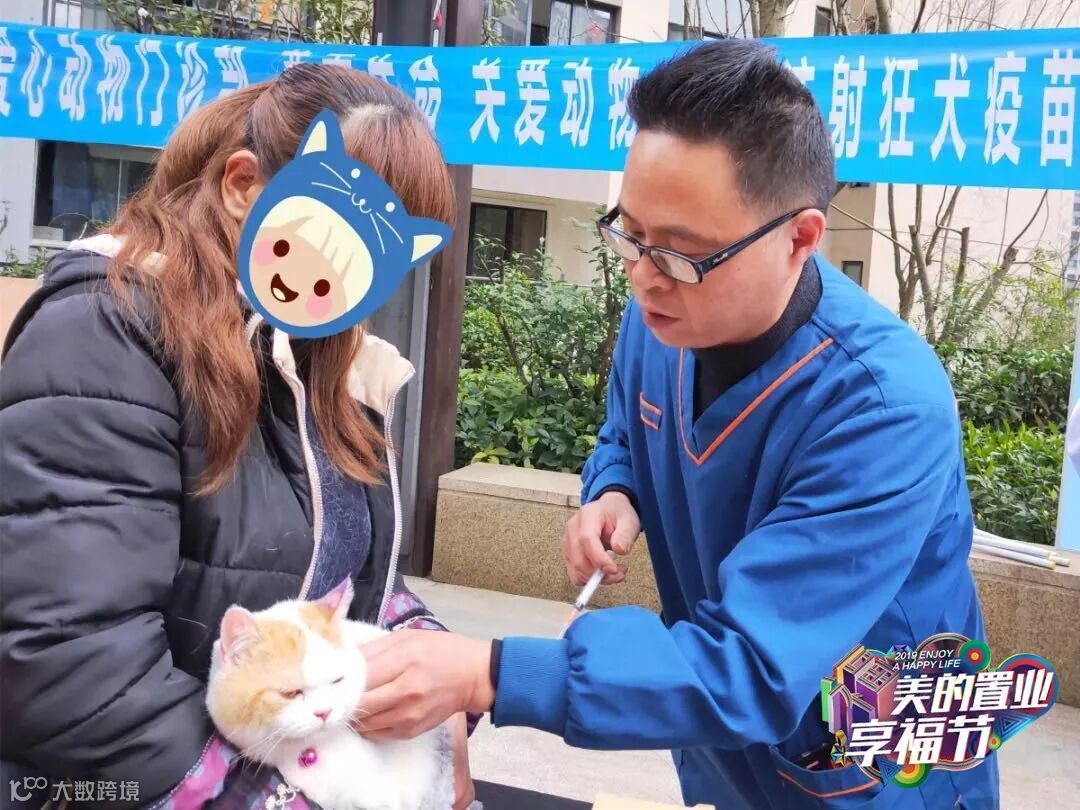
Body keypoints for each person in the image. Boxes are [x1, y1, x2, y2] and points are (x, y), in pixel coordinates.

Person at [353, 40, 1000, 809]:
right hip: (725, 748)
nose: (644, 276)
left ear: (800, 238)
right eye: (629, 234)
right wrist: (615, 489)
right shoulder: (662, 312)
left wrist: (490, 671)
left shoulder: (885, 409)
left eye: (684, 254)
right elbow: (625, 430)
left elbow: (753, 666)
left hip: (880, 768)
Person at [0, 65, 478, 810]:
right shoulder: (102, 334)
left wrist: (432, 667)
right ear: (243, 185)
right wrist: (270, 799)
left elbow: (346, 582)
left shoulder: (316, 358)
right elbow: (69, 662)